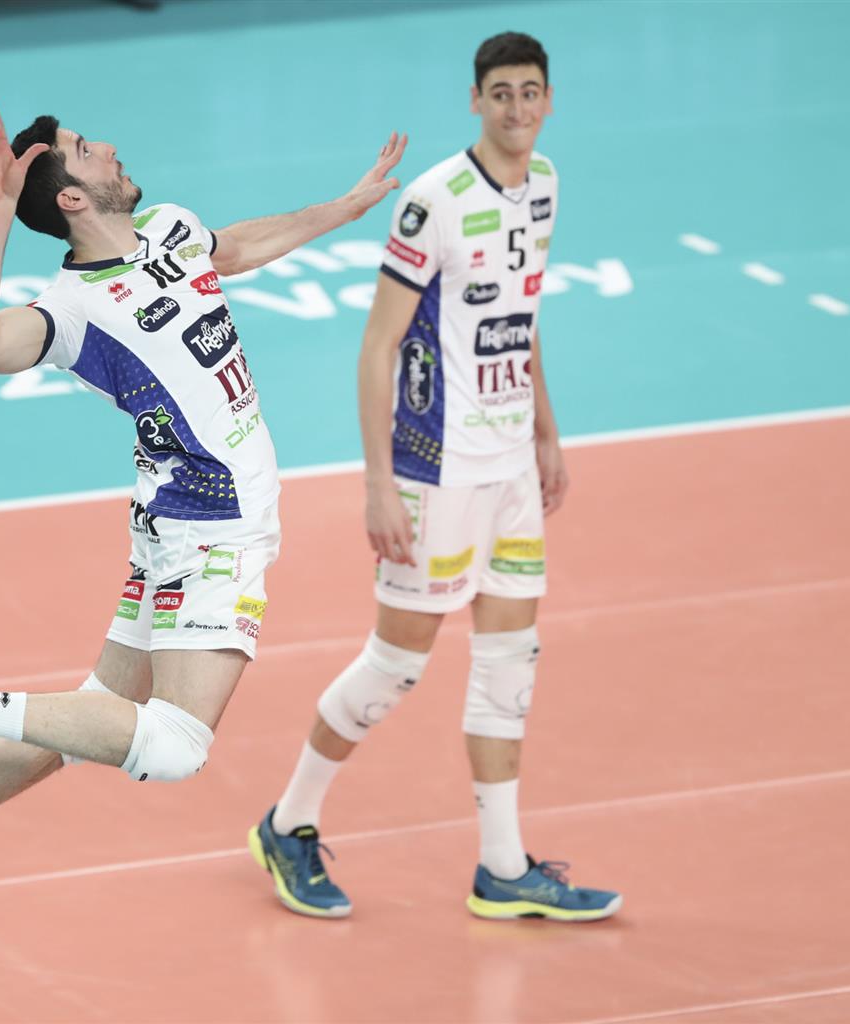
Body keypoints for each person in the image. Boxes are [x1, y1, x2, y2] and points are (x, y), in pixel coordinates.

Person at [0, 97, 407, 971]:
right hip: (212, 530)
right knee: (172, 747)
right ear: (71, 198)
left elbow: (239, 246)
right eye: (87, 150)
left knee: (94, 714)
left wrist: (343, 208)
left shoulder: (170, 229)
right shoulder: (72, 311)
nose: (109, 148)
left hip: (171, 521)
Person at [248, 32, 621, 922]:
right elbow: (378, 344)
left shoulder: (544, 185)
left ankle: (502, 868)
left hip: (510, 469)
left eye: (530, 91)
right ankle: (287, 823)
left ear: (548, 100)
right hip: (435, 468)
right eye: (501, 92)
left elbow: (521, 315)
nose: (517, 107)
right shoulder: (435, 202)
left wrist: (545, 431)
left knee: (508, 664)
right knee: (395, 666)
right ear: (475, 101)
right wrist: (377, 483)